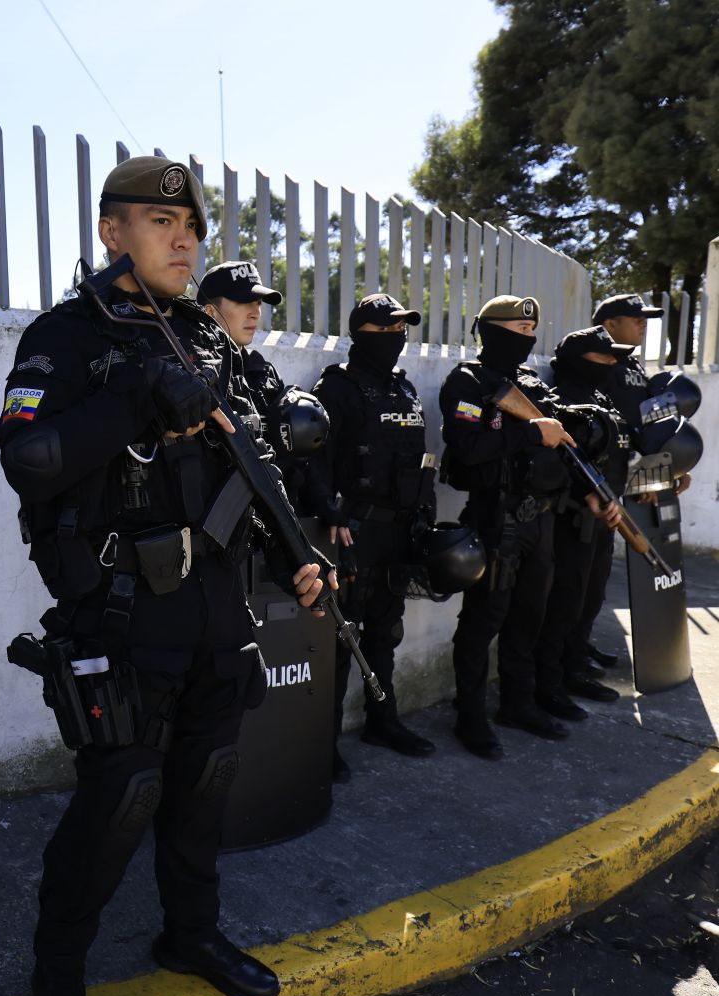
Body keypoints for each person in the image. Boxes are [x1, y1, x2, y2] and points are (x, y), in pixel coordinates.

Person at [0, 156, 330, 996]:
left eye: (190, 226)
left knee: (207, 780)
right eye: (158, 222)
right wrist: (132, 397)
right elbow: (28, 460)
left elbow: (253, 462)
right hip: (125, 614)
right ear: (113, 233)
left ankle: (189, 933)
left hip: (219, 607)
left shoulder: (205, 337)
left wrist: (301, 556)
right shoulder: (66, 337)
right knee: (121, 797)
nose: (183, 239)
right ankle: (59, 971)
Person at [439, 295, 576, 759]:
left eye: (531, 332)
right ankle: (470, 715)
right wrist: (533, 432)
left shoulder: (530, 382)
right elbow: (471, 448)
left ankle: (517, 703)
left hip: (538, 518)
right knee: (483, 621)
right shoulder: (468, 382)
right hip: (495, 517)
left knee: (528, 617)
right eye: (517, 332)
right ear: (491, 332)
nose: (527, 339)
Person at [310, 293, 438, 774]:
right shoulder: (337, 390)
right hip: (354, 533)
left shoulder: (404, 390)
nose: (395, 339)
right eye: (384, 331)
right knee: (342, 638)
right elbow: (314, 464)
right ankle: (322, 740)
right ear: (361, 333)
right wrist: (331, 519)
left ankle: (382, 720)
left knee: (386, 630)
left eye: (400, 330)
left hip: (401, 532)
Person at [578, 293, 693, 685]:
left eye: (645, 318)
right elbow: (611, 429)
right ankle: (570, 653)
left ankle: (581, 642)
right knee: (581, 578)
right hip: (600, 481)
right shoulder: (602, 365)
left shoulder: (634, 366)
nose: (643, 324)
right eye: (635, 318)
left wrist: (667, 471)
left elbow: (646, 427)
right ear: (609, 325)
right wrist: (643, 472)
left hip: (626, 480)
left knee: (597, 578)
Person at [533, 327, 631, 721]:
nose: (612, 363)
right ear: (579, 360)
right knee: (564, 602)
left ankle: (575, 665)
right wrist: (585, 497)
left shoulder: (601, 398)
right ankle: (551, 682)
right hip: (572, 519)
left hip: (606, 517)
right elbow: (560, 465)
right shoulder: (561, 405)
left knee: (590, 598)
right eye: (603, 357)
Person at [197, 260, 328, 511]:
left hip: (270, 518)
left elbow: (298, 457)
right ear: (210, 312)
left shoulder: (263, 373)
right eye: (243, 302)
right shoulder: (192, 375)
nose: (255, 312)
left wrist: (324, 506)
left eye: (257, 303)